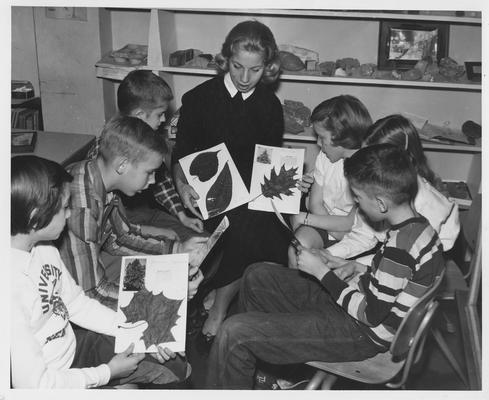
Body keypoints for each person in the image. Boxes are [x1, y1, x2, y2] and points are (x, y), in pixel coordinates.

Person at [205, 144, 445, 389]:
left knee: (233, 332)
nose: (357, 206)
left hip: (360, 333)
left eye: (359, 198)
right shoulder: (418, 228)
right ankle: (261, 365)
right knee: (256, 275)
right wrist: (348, 265)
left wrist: (322, 272)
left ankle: (244, 362)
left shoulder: (399, 248)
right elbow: (395, 281)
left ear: (382, 204)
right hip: (357, 308)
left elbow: (371, 314)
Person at [11, 155, 196, 388]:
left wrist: (142, 332)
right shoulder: (10, 290)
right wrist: (107, 373)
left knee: (174, 363)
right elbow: (35, 386)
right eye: (65, 208)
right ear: (35, 217)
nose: (70, 214)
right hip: (54, 378)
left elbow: (77, 303)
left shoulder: (44, 248)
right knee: (160, 374)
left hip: (72, 348)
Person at [172, 20, 291, 341]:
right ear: (226, 59)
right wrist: (183, 186)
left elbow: (268, 159)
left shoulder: (269, 105)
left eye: (255, 70)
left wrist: (274, 186)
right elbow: (181, 154)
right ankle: (221, 305)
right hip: (208, 192)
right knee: (250, 227)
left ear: (267, 67)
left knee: (262, 224)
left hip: (251, 193)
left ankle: (218, 302)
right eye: (237, 66)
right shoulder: (199, 99)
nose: (244, 77)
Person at [58, 115, 206, 310]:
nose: (153, 180)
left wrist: (177, 249)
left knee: (150, 271)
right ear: (122, 165)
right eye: (149, 172)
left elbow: (120, 237)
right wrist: (169, 296)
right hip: (65, 297)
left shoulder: (98, 177)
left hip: (83, 278)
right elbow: (91, 293)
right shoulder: (83, 206)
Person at [324, 114, 460, 265]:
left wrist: (349, 265)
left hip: (420, 264)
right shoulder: (378, 187)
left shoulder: (428, 206)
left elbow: (402, 260)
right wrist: (327, 254)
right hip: (392, 254)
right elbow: (363, 236)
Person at [87, 69, 204, 242]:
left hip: (144, 213)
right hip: (120, 225)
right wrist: (151, 231)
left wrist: (182, 216)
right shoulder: (105, 149)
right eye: (159, 114)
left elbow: (161, 183)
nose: (164, 119)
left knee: (201, 240)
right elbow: (112, 229)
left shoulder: (149, 142)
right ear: (140, 116)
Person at [287, 95, 372, 268]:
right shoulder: (324, 158)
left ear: (342, 138)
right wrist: (320, 222)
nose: (318, 143)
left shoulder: (367, 169)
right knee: (297, 248)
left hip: (354, 236)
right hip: (326, 223)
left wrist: (307, 219)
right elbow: (315, 203)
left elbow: (352, 226)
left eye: (322, 138)